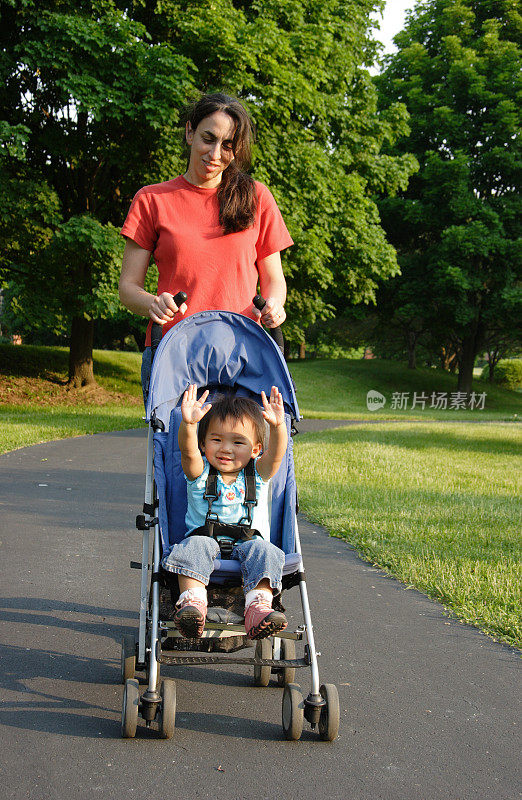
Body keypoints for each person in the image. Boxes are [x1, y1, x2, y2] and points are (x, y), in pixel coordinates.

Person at [118, 92, 293, 401]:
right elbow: (128, 289)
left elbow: (274, 280)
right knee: (174, 449)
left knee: (241, 450)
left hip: (245, 356)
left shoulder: (257, 198)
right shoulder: (151, 200)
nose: (215, 154)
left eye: (227, 145)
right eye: (208, 139)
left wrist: (275, 305)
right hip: (174, 354)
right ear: (190, 132)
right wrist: (153, 303)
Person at [161, 384, 288, 640]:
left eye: (238, 442)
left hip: (249, 546)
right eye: (216, 440)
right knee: (193, 545)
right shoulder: (200, 474)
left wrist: (278, 427)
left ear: (255, 450)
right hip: (205, 543)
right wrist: (188, 424)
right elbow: (187, 452)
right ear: (204, 445)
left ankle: (259, 608)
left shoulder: (258, 475)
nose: (226, 449)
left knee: (267, 550)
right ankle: (192, 605)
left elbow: (276, 456)